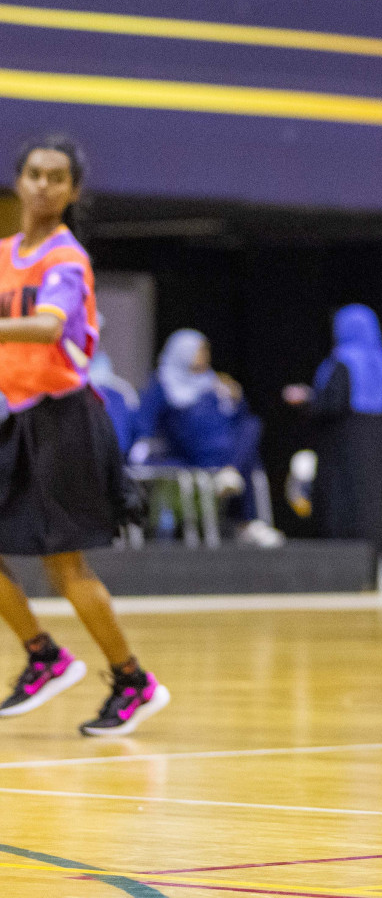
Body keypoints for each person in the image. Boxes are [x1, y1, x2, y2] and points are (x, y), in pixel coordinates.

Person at [0, 135, 169, 737]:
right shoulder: (4, 254)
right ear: (19, 181)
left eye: (57, 177)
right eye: (35, 173)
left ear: (72, 193)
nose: (44, 185)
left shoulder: (66, 259)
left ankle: (132, 679)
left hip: (67, 421)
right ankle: (44, 656)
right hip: (20, 419)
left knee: (64, 568)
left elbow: (45, 330)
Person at [135, 329, 283, 547]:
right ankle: (247, 519)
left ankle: (231, 471)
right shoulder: (164, 384)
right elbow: (145, 423)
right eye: (199, 351)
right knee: (248, 455)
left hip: (224, 450)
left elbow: (234, 418)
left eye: (206, 351)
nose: (204, 356)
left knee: (251, 425)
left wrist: (236, 399)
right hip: (191, 451)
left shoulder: (216, 384)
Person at [283, 304, 382, 552]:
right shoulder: (381, 358)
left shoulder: (344, 360)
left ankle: (344, 562)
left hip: (346, 439)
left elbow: (333, 403)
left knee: (344, 498)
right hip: (377, 436)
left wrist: (307, 399)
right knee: (372, 501)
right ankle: (374, 557)